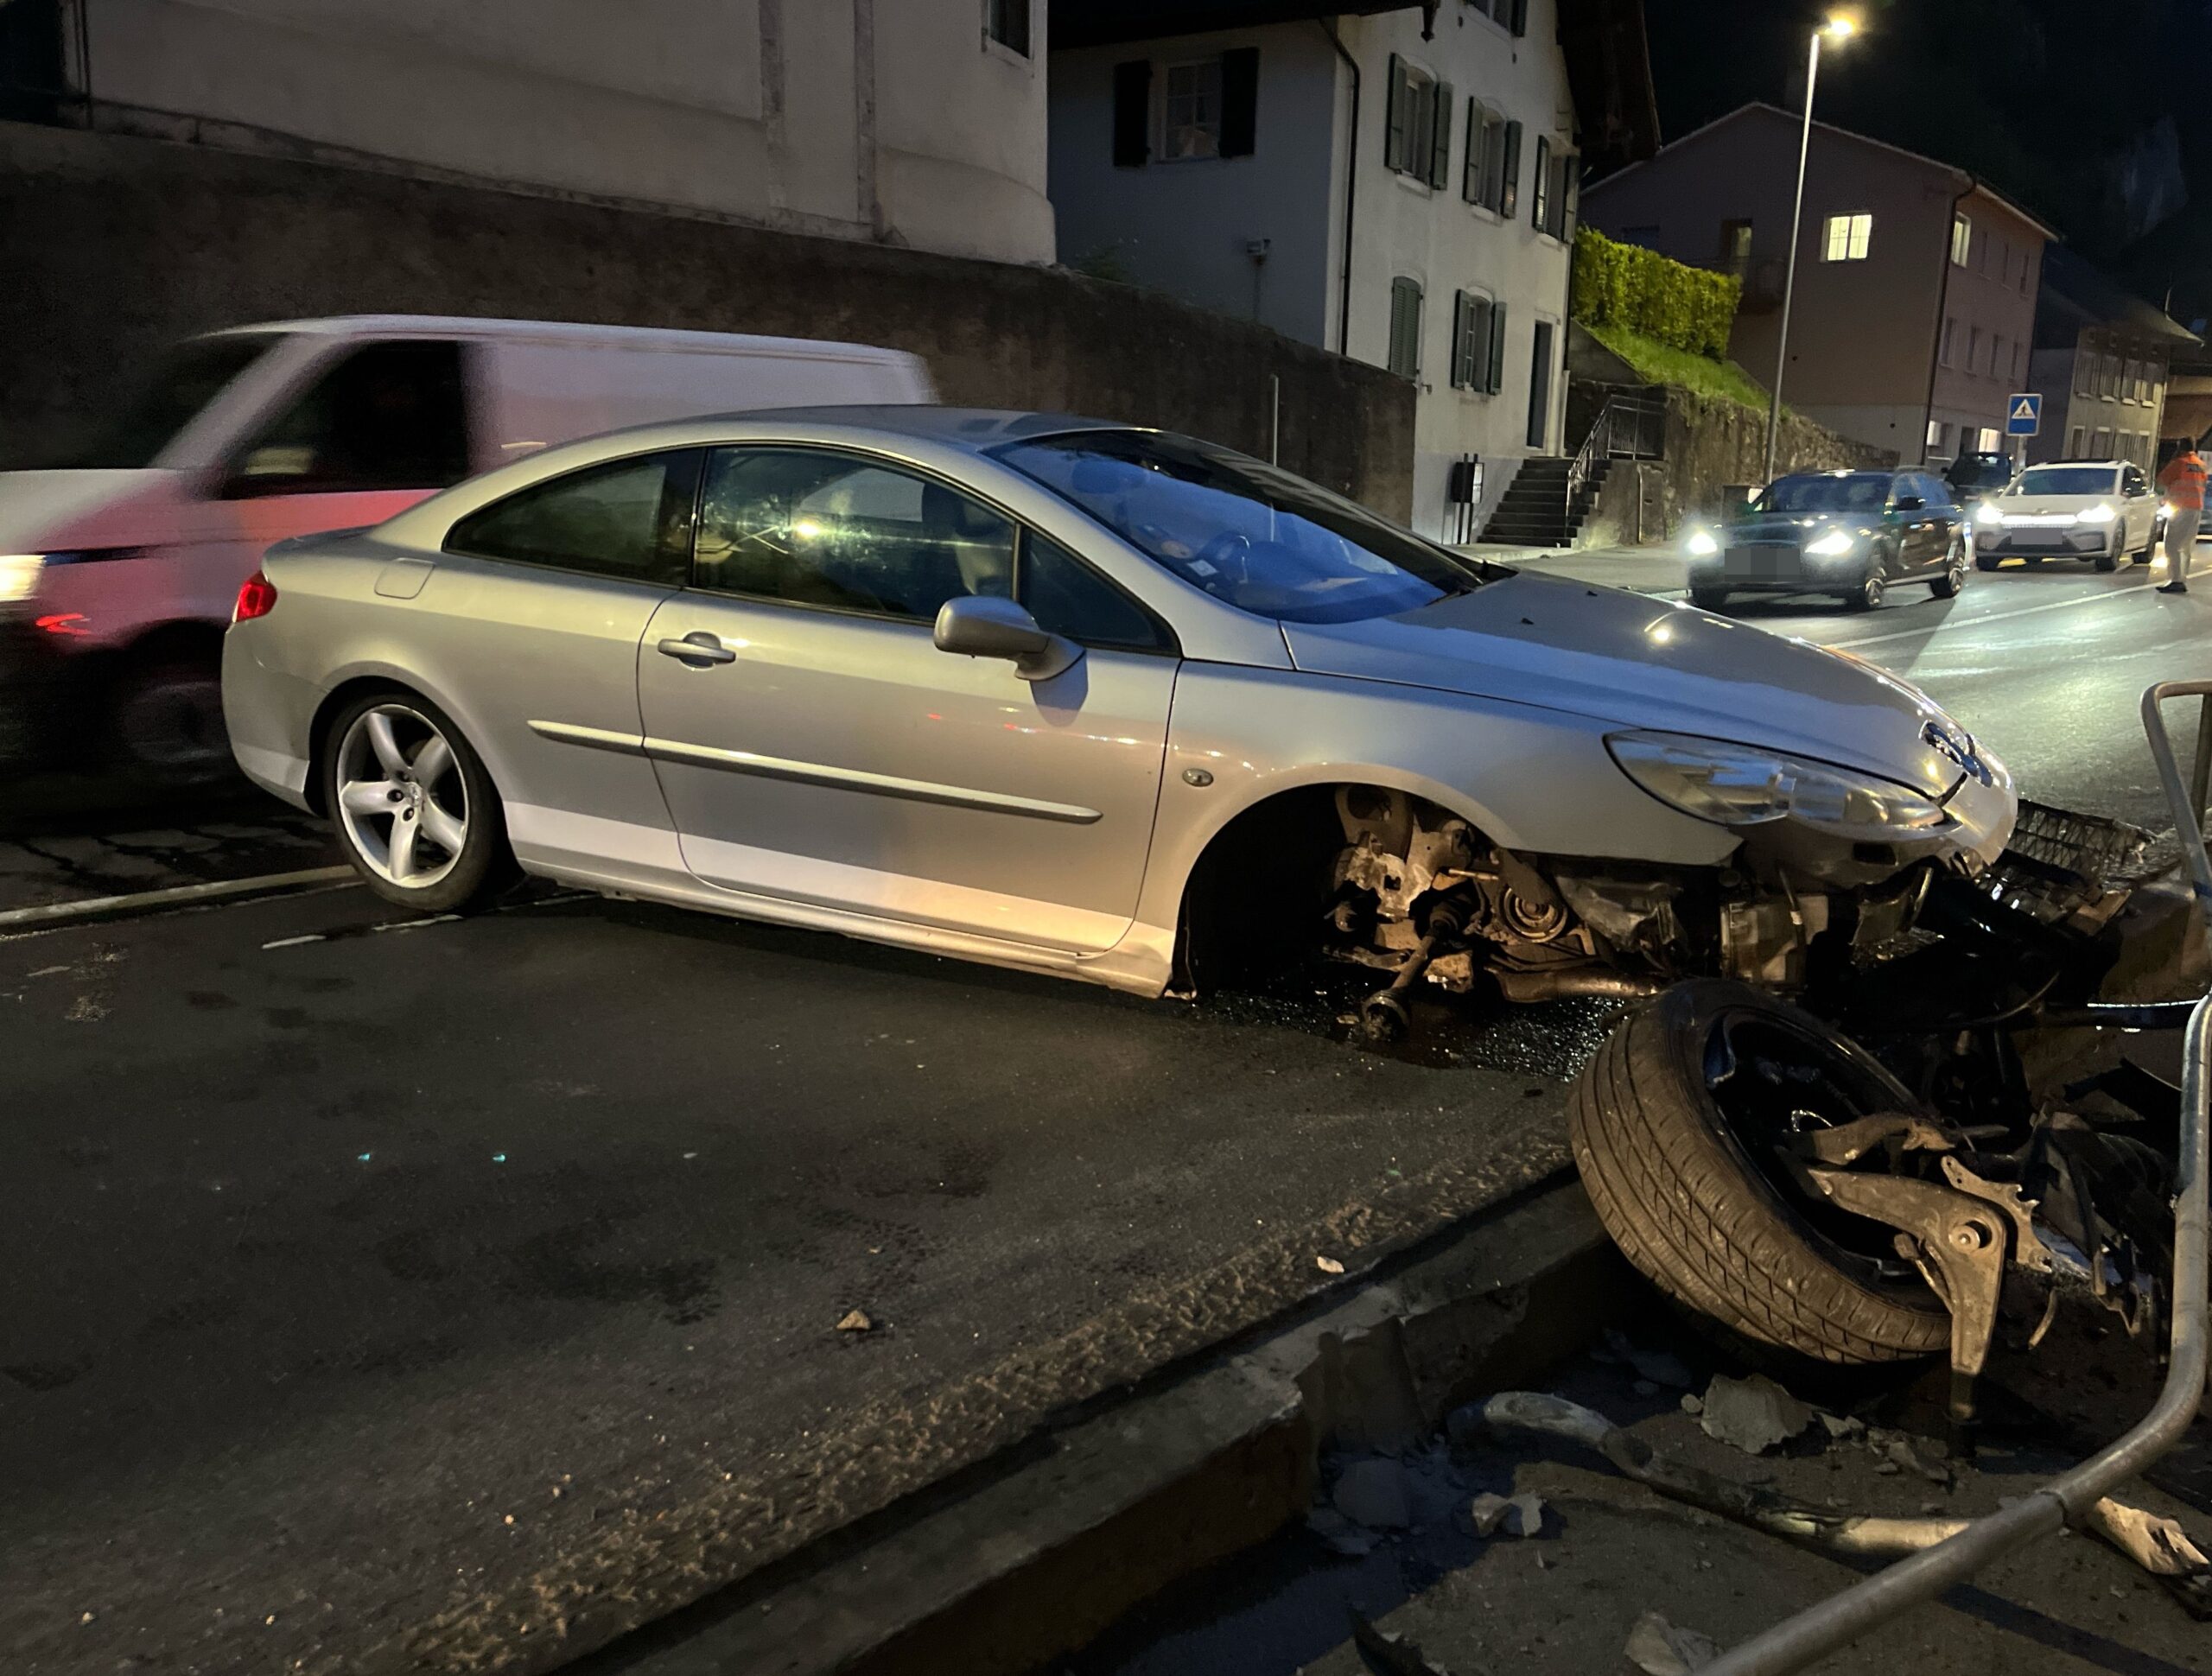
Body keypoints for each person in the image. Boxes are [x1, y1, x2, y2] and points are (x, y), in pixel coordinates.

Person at [2157, 441, 2208, 594]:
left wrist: (2163, 498)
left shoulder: (2179, 463)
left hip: (2179, 508)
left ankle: (2176, 580)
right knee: (2186, 546)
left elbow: (2161, 481)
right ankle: (2182, 579)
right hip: (2196, 508)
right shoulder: (2200, 464)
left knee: (2172, 545)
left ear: (2180, 447)